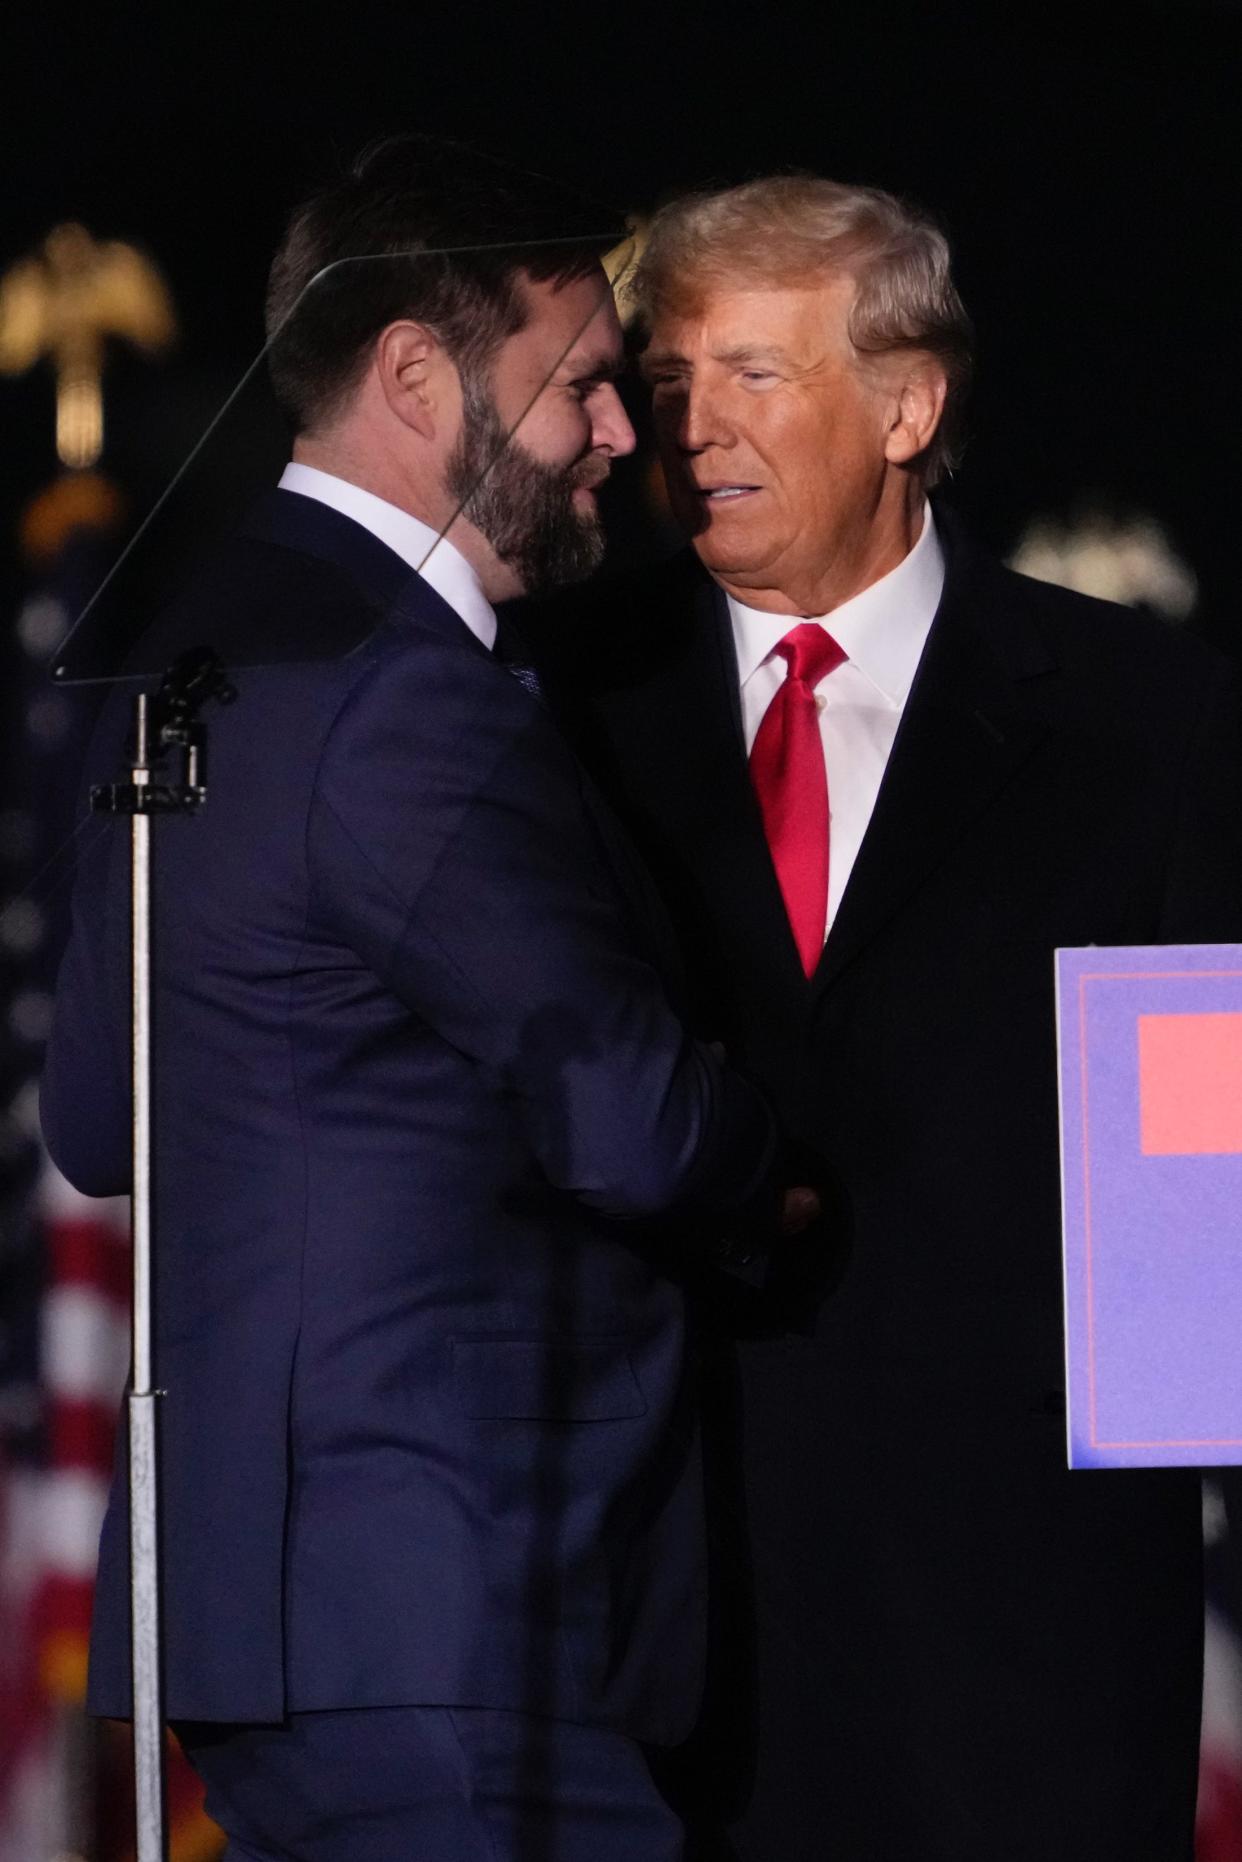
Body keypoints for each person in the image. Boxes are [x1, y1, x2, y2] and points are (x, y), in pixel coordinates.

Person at [39, 138, 799, 1861]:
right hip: (455, 1610)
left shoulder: (184, 657)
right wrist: (784, 1171)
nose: (624, 435)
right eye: (583, 386)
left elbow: (98, 1123)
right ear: (409, 372)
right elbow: (627, 1114)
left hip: (257, 1617)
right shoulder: (406, 694)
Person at [528, 174, 1242, 1860]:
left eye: (753, 375)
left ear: (908, 402)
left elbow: (1187, 1223)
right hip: (657, 1636)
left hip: (1026, 1654)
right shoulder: (551, 697)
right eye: (671, 379)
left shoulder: (1146, 720)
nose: (691, 426)